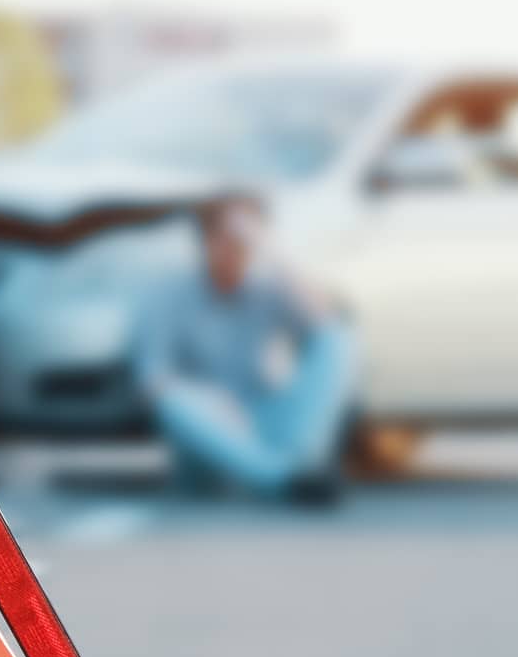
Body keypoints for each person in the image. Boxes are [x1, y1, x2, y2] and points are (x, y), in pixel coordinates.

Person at [134, 194, 356, 504]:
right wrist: (214, 404)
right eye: (226, 238)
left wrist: (271, 251)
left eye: (243, 240)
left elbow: (325, 324)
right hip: (209, 434)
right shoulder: (167, 294)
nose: (234, 249)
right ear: (205, 240)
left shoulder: (270, 287)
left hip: (262, 421)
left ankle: (298, 468)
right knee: (171, 400)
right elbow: (153, 382)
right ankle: (281, 478)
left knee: (338, 339)